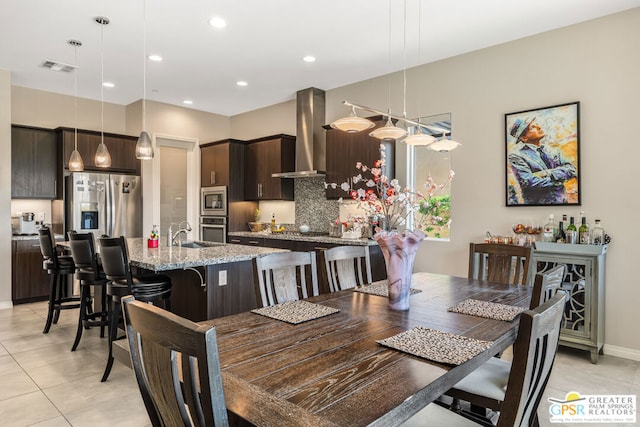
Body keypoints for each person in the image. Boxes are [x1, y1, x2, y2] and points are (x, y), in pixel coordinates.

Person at [508, 117, 577, 205]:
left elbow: (571, 169)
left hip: (562, 204)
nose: (539, 127)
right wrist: (560, 176)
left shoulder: (553, 151)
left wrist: (547, 173)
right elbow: (529, 182)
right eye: (532, 127)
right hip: (536, 207)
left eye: (536, 124)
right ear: (524, 138)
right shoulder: (517, 157)